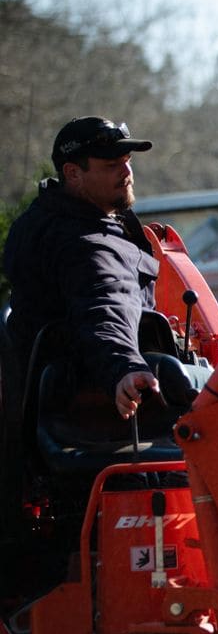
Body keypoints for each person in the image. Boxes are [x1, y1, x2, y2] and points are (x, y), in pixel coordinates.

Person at [4, 116, 161, 420]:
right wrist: (126, 366)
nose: (127, 173)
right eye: (111, 165)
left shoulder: (39, 221)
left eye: (127, 161)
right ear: (73, 174)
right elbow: (105, 305)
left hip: (40, 409)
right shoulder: (87, 246)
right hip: (100, 417)